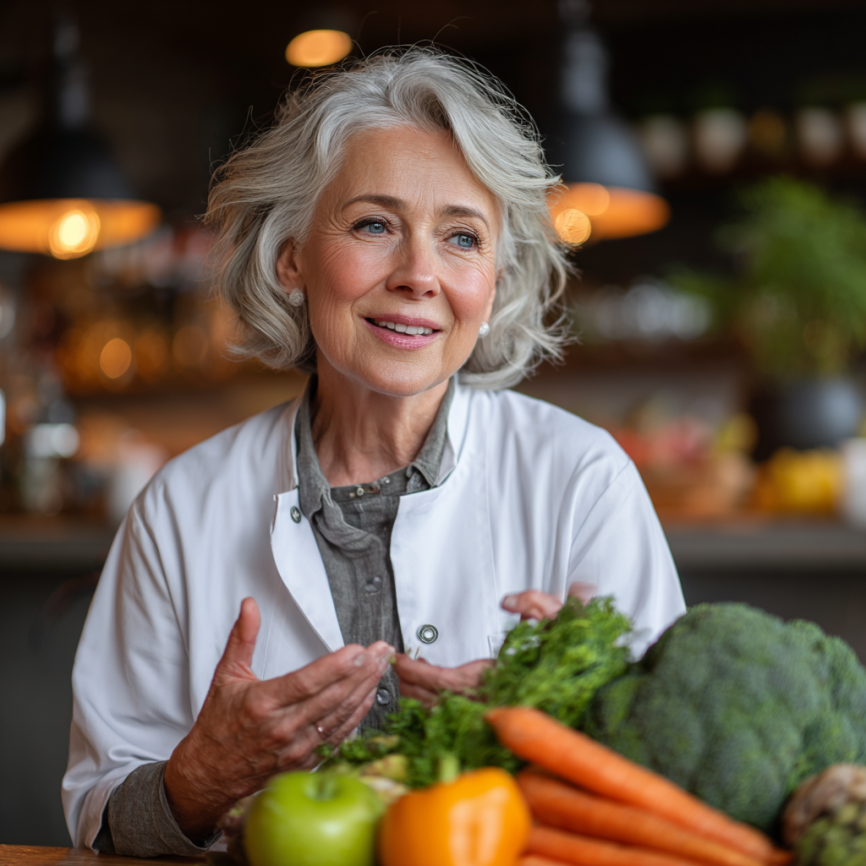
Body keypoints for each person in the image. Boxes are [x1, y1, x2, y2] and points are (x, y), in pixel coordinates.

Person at [62, 47, 685, 856]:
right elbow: (97, 817)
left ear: (492, 283)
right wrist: (198, 780)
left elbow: (671, 786)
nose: (420, 274)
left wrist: (561, 723)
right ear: (292, 257)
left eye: (462, 237)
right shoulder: (182, 505)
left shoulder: (580, 476)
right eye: (374, 225)